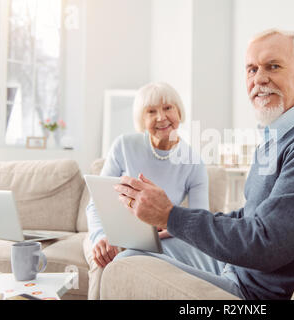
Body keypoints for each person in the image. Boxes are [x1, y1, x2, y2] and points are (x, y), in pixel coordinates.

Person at [113, 29, 294, 300]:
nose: (259, 79)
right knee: (134, 255)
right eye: (251, 70)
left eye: (273, 66)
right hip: (237, 268)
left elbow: (264, 244)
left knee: (126, 268)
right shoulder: (279, 134)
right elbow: (252, 216)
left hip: (251, 293)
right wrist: (178, 224)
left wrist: (170, 215)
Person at [83, 82, 209, 300]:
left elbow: (200, 221)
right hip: (111, 234)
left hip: (161, 240)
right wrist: (100, 237)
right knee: (103, 262)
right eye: (151, 111)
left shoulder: (194, 162)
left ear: (179, 111)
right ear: (142, 119)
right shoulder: (123, 145)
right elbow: (95, 204)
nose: (161, 117)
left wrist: (165, 227)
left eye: (168, 108)